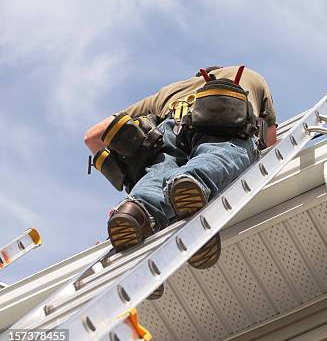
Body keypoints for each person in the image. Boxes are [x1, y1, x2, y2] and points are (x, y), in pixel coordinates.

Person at [84, 66, 277, 273]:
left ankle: (135, 212)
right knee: (219, 154)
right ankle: (192, 182)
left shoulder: (168, 92)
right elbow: (271, 146)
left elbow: (93, 136)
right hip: (225, 115)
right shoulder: (250, 75)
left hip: (170, 128)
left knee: (158, 173)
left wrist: (125, 171)